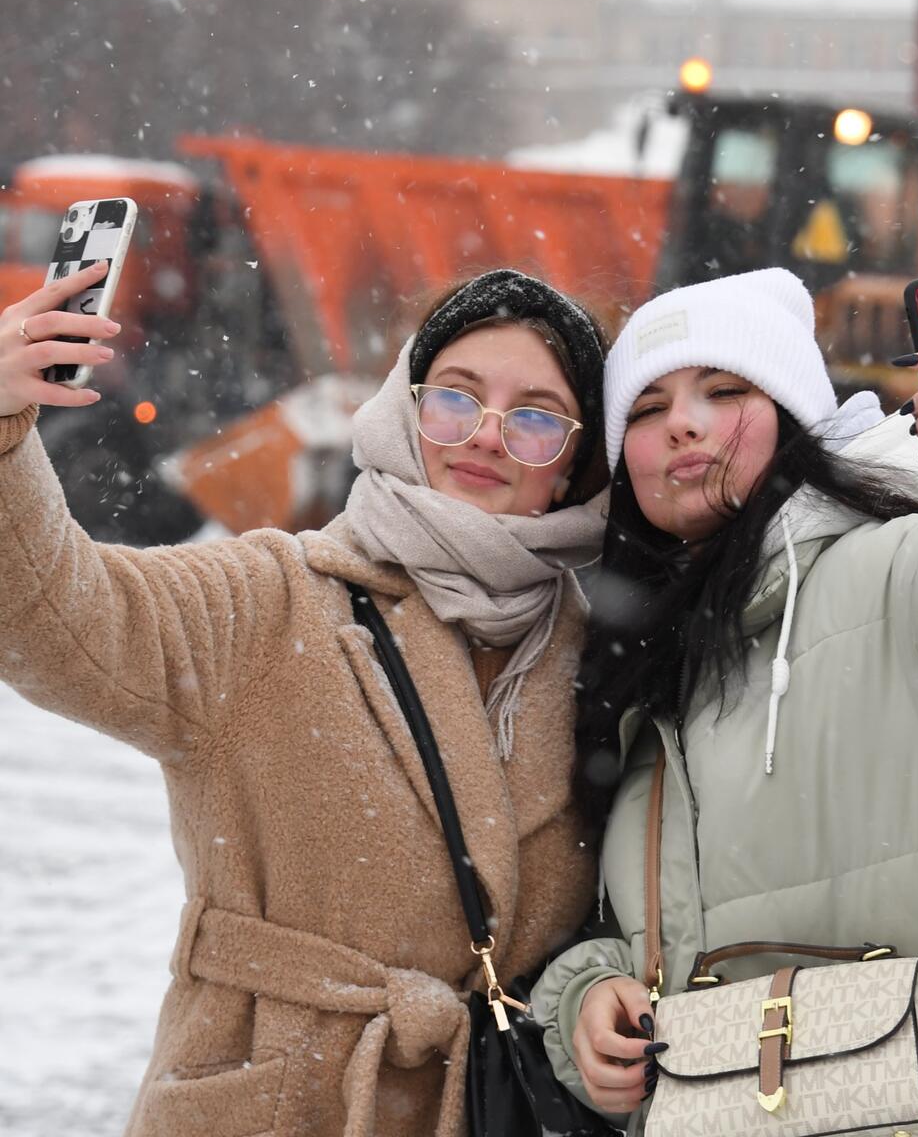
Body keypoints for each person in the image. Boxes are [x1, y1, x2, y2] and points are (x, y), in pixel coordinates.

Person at [532, 267, 918, 1136]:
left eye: (724, 390)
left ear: (795, 419)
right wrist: (591, 1000)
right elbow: (679, 932)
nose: (682, 421)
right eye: (645, 409)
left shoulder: (911, 574)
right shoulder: (643, 673)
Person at [0, 262, 611, 1137]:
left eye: (536, 418)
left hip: (482, 1108)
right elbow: (51, 615)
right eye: (456, 398)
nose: (485, 437)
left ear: (576, 459)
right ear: (406, 410)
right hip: (270, 1103)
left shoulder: (605, 661)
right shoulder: (270, 601)